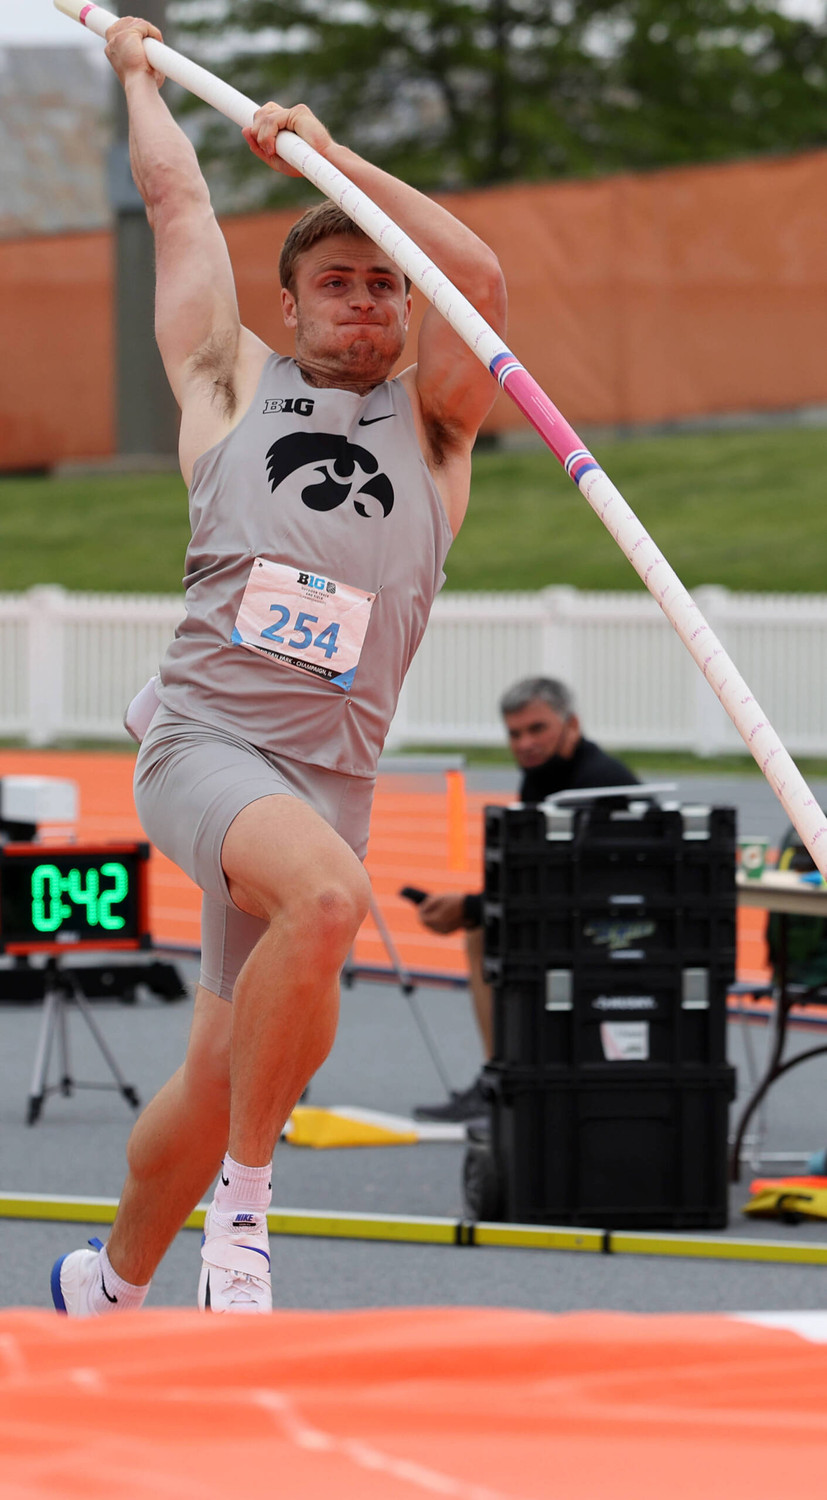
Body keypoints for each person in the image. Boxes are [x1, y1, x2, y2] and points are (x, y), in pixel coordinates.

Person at [50, 14, 506, 1316]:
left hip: (327, 773)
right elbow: (175, 199)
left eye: (384, 284)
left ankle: (106, 1282)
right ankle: (242, 1231)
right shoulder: (226, 381)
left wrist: (339, 159)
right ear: (292, 301)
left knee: (216, 1073)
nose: (366, 300)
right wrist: (137, 75)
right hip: (204, 745)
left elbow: (477, 270)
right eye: (338, 281)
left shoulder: (434, 426)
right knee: (326, 903)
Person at [413, 676, 638, 1123]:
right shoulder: (540, 779)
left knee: (482, 931)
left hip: (617, 924)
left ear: (571, 724)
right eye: (515, 734)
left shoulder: (597, 782)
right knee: (484, 928)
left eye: (537, 729)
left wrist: (471, 908)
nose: (526, 743)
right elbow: (538, 874)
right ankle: (506, 1072)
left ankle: (506, 1075)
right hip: (577, 912)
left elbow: (570, 884)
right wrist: (472, 906)